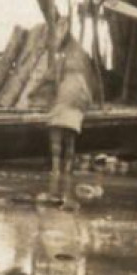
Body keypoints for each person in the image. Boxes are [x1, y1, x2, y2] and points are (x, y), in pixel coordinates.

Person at [47, 34, 95, 175]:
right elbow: (88, 100)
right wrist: (83, 108)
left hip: (60, 112)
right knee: (70, 142)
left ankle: (55, 170)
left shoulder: (63, 78)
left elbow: (48, 81)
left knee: (55, 141)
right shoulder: (81, 81)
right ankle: (67, 169)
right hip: (74, 114)